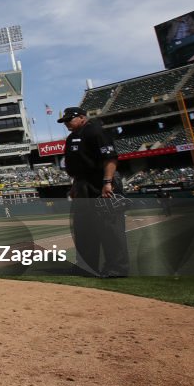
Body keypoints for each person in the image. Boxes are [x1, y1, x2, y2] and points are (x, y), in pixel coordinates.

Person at [59, 106, 129, 278]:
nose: (67, 123)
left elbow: (110, 158)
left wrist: (107, 182)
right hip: (83, 184)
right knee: (83, 228)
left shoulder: (95, 131)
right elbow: (75, 166)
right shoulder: (71, 137)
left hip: (100, 182)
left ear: (82, 117)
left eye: (70, 119)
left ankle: (116, 268)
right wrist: (76, 186)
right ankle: (86, 266)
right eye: (65, 120)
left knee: (109, 228)